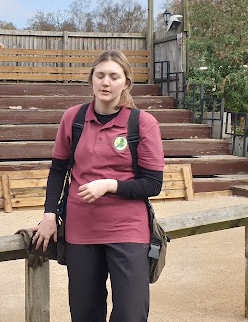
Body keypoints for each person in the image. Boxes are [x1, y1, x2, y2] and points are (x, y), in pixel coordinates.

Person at [32, 50, 165, 322]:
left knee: (131, 314)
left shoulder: (142, 123)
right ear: (91, 80)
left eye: (114, 77)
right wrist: (49, 215)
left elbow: (153, 184)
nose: (106, 82)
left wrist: (110, 185)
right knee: (85, 314)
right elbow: (58, 171)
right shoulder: (73, 119)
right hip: (81, 232)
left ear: (126, 83)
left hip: (128, 231)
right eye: (100, 75)